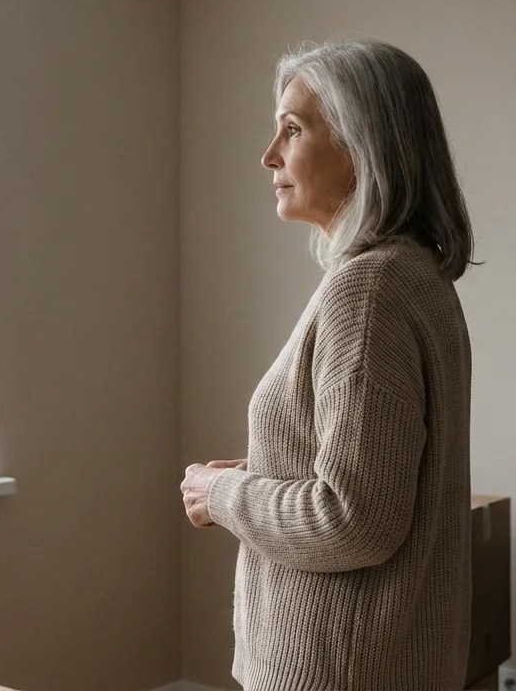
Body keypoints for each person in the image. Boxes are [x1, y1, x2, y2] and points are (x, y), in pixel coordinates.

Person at [179, 38, 476, 690]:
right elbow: (378, 475)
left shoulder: (367, 292)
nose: (269, 156)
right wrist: (265, 472)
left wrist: (219, 493)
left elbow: (353, 520)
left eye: (292, 129)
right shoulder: (415, 277)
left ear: (360, 144)